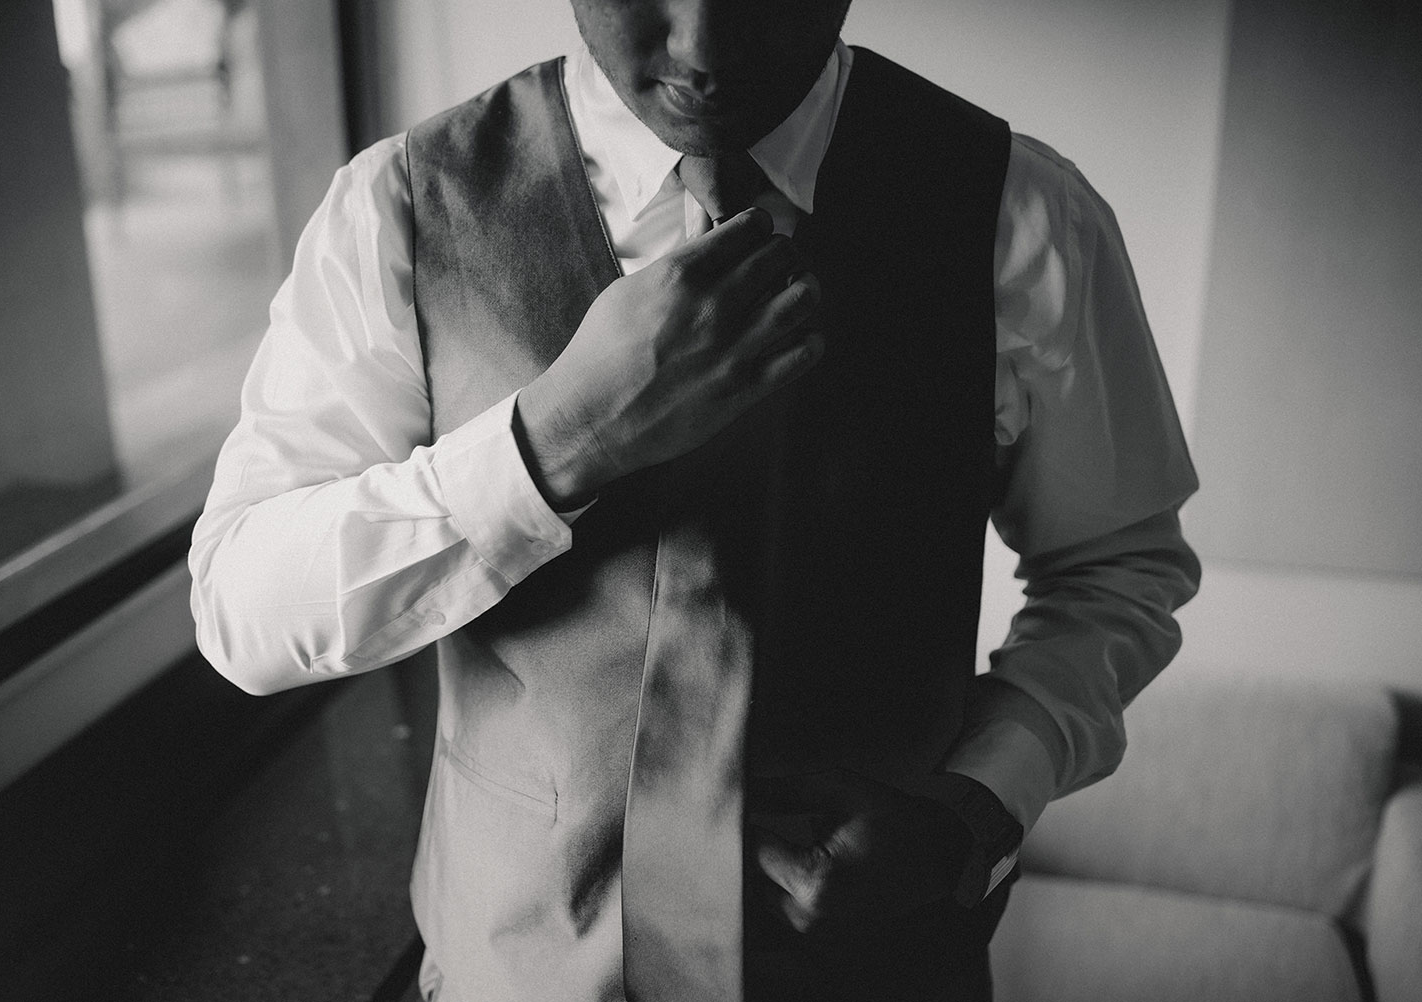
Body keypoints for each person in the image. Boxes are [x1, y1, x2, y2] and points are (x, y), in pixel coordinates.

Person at [189, 1, 1200, 998]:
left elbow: (1117, 570)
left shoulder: (1019, 215)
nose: (704, 47)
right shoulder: (399, 210)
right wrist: (554, 443)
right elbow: (244, 609)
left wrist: (971, 808)